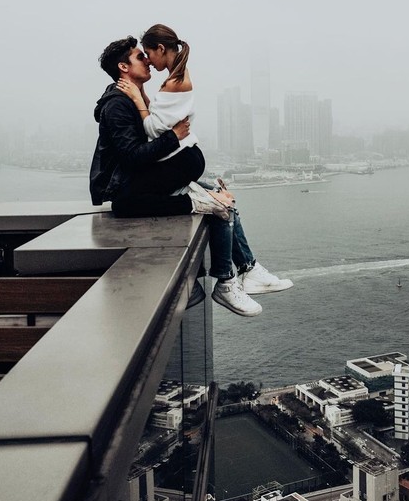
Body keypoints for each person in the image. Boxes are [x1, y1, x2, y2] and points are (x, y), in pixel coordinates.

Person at [89, 34, 292, 317]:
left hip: (145, 179)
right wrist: (173, 137)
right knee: (214, 204)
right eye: (139, 57)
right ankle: (227, 280)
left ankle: (248, 268)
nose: (147, 60)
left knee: (222, 200)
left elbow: (145, 139)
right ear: (123, 67)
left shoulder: (130, 98)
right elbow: (132, 156)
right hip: (127, 189)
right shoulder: (117, 105)